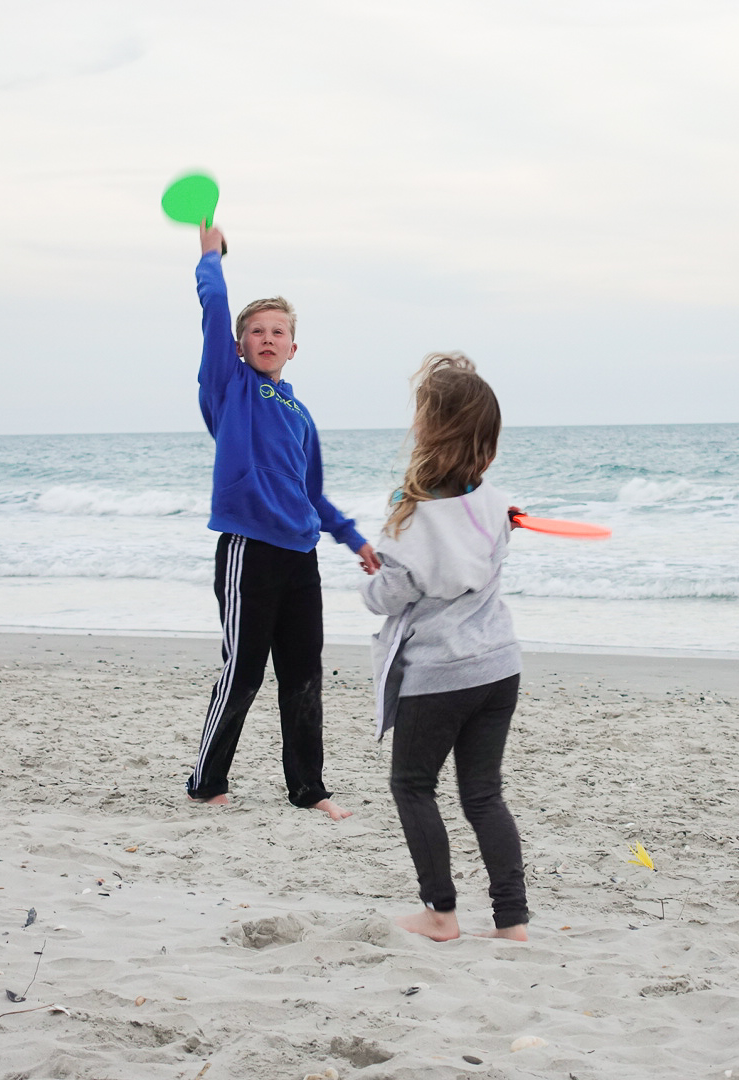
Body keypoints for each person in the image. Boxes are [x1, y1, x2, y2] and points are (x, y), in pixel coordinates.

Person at [185, 221, 379, 821]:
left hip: (301, 556)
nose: (267, 338)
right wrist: (210, 257)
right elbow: (215, 307)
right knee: (243, 672)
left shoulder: (299, 413)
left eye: (279, 331)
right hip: (249, 549)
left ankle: (309, 790)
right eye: (256, 331)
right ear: (239, 345)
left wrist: (353, 537)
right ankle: (207, 780)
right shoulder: (228, 387)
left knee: (303, 678)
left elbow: (312, 493)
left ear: (294, 346)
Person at [362, 352, 528, 941]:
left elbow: (388, 596)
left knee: (412, 786)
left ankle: (440, 914)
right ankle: (512, 924)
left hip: (439, 673)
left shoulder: (412, 512)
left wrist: (373, 572)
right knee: (483, 794)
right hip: (498, 665)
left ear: (429, 427)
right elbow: (484, 559)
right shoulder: (495, 501)